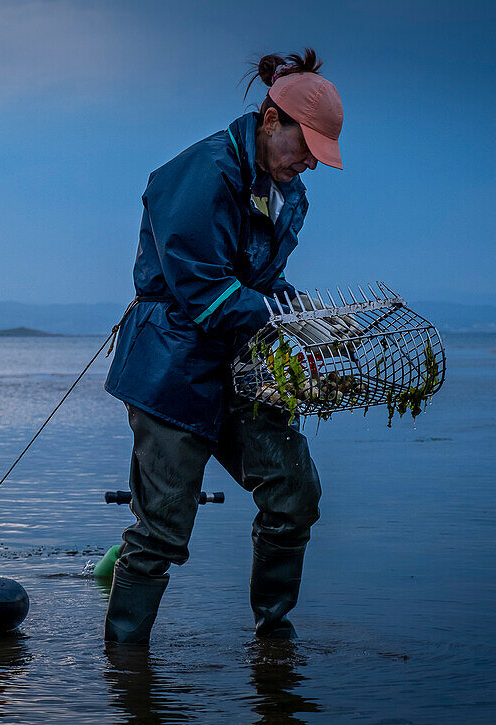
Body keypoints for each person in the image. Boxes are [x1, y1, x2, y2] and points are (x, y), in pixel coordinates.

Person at [103, 49, 344, 645]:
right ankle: (124, 667)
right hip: (170, 368)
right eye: (305, 145)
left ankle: (274, 641)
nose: (310, 163)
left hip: (239, 369)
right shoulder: (201, 173)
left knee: (294, 494)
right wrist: (282, 317)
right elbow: (203, 293)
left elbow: (261, 284)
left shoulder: (290, 193)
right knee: (161, 532)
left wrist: (307, 316)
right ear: (270, 120)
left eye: (319, 153)